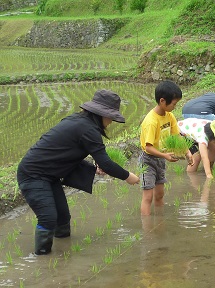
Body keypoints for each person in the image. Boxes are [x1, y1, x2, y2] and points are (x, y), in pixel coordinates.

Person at [17, 90, 140, 255]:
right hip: (33, 174)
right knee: (48, 217)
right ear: (100, 114)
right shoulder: (88, 130)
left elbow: (65, 153)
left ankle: (63, 252)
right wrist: (128, 176)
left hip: (49, 174)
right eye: (110, 117)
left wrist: (94, 168)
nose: (111, 122)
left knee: (62, 217)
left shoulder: (79, 122)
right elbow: (106, 163)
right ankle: (42, 257)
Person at [139, 80, 193, 216]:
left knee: (160, 194)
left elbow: (177, 136)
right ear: (162, 101)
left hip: (161, 159)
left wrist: (187, 152)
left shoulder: (169, 116)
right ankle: (147, 229)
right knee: (148, 197)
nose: (175, 106)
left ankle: (159, 220)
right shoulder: (151, 121)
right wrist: (165, 156)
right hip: (148, 160)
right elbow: (148, 147)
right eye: (174, 103)